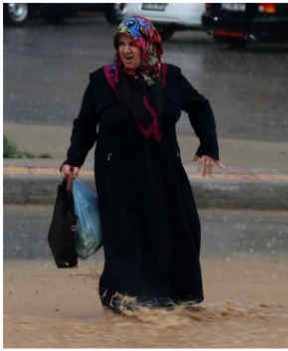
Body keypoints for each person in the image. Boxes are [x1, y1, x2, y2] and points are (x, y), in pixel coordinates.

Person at [60, 16, 224, 312]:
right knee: (125, 239)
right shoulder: (102, 81)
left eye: (132, 44)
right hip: (118, 177)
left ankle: (169, 301)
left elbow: (200, 106)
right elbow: (85, 124)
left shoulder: (170, 78)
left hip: (164, 174)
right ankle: (124, 300)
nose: (126, 50)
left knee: (176, 233)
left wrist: (208, 147)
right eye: (121, 44)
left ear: (148, 46)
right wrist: (73, 159)